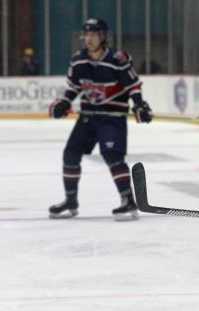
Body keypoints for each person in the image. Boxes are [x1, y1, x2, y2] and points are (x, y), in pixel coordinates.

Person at [48, 18, 152, 221]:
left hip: (111, 117)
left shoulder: (118, 59)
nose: (89, 38)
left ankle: (127, 199)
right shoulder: (78, 60)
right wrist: (64, 102)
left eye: (94, 34)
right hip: (88, 117)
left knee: (112, 155)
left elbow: (133, 85)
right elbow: (74, 87)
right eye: (87, 34)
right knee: (71, 153)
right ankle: (70, 200)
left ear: (103, 37)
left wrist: (139, 105)